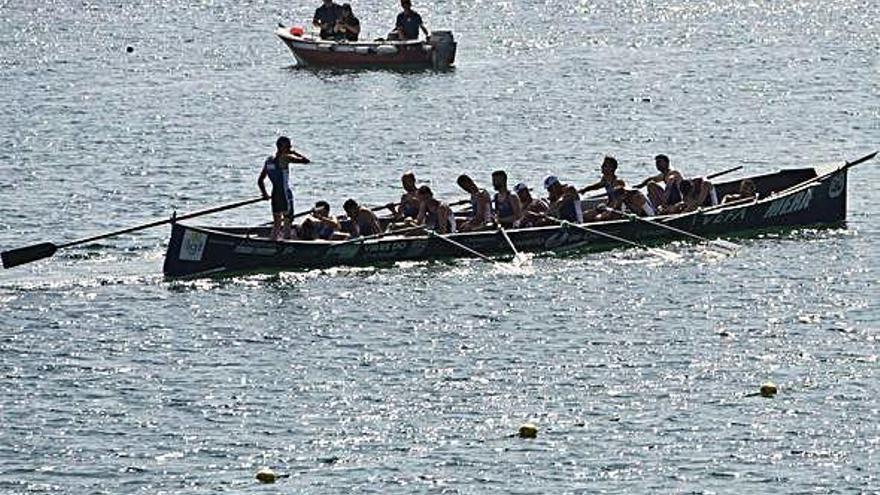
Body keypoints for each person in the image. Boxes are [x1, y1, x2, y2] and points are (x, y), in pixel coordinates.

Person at [257, 136, 310, 240]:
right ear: (283, 147)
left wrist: (265, 194)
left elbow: (260, 181)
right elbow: (306, 161)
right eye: (289, 146)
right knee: (288, 221)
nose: (290, 148)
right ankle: (286, 244)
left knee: (276, 224)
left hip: (275, 195)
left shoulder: (269, 161)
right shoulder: (285, 158)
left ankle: (272, 243)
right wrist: (294, 152)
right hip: (285, 195)